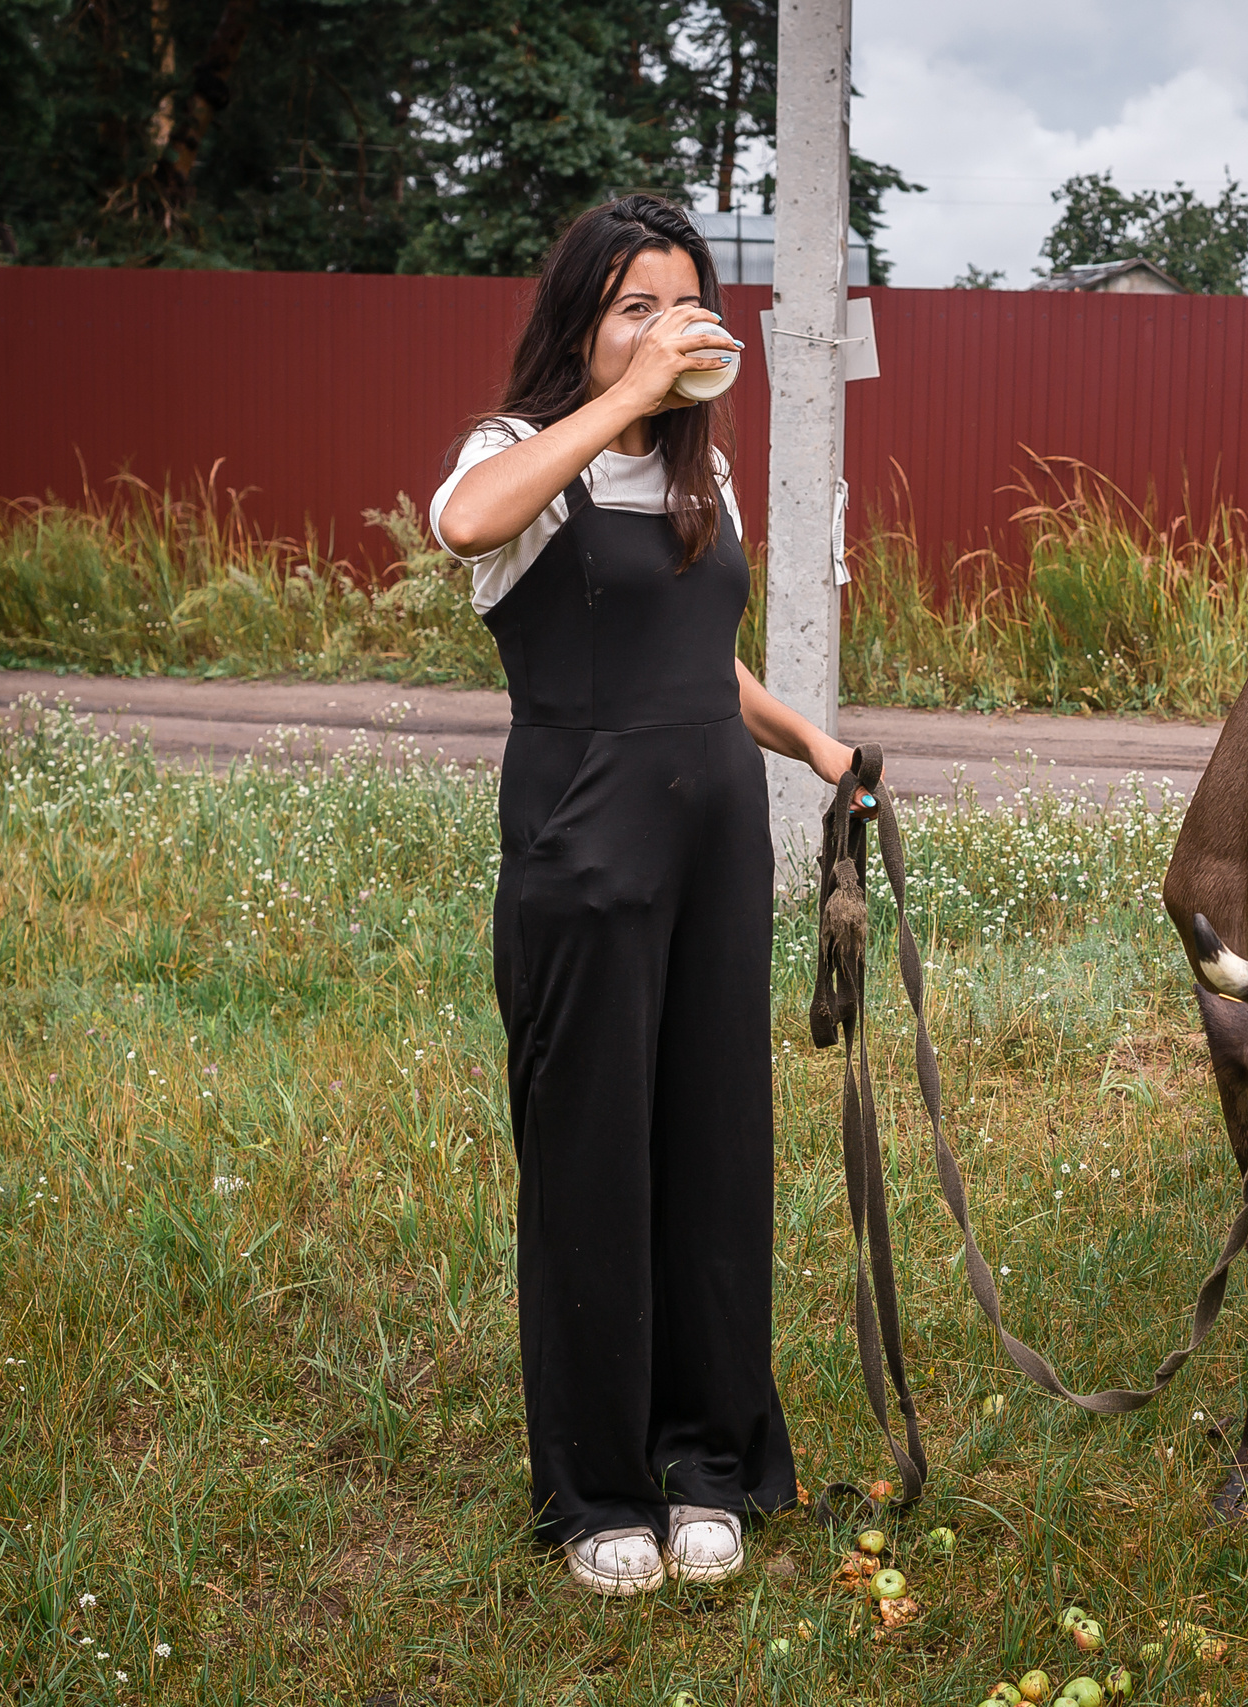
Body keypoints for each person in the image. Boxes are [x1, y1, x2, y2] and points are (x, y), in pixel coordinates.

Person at [429, 193, 872, 1597]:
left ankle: (707, 1462)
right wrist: (617, 396)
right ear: (580, 323)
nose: (671, 329)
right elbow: (459, 524)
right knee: (594, 1163)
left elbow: (701, 657)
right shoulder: (522, 456)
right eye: (637, 305)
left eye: (686, 304)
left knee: (714, 1154)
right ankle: (597, 1487)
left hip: (715, 853)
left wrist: (807, 740)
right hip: (584, 854)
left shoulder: (701, 478)